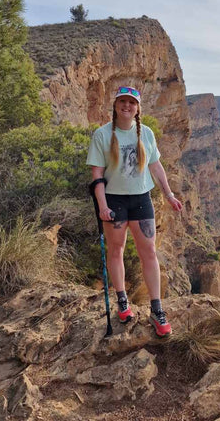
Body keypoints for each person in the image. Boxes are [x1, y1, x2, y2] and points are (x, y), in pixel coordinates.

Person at [86, 86, 183, 337]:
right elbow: (96, 175)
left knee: (149, 252)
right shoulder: (102, 135)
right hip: (114, 201)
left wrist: (169, 195)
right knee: (116, 250)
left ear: (138, 108)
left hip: (141, 199)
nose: (127, 106)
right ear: (115, 105)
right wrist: (103, 206)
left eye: (132, 102)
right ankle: (122, 300)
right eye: (122, 101)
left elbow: (156, 166)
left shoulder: (147, 134)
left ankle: (157, 309)